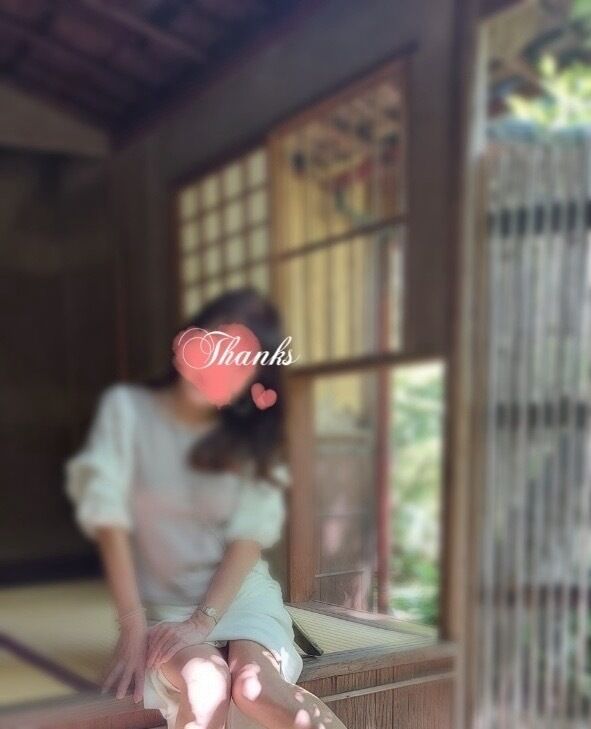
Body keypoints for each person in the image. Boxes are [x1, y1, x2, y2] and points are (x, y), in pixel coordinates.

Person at [64, 288, 348, 729]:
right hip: (166, 601)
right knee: (207, 685)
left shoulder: (250, 433)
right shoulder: (128, 413)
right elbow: (110, 523)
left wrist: (204, 619)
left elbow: (247, 538)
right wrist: (133, 623)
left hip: (238, 594)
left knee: (257, 689)